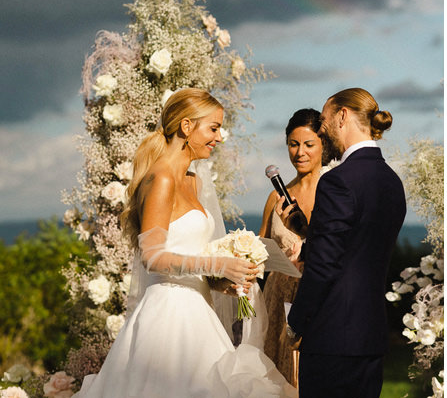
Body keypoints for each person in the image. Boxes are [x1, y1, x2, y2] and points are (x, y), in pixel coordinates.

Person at [74, 88, 292, 398]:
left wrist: (221, 280)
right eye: (213, 128)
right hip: (168, 318)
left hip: (198, 310)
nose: (219, 137)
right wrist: (218, 264)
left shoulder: (194, 181)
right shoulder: (160, 178)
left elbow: (189, 254)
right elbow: (152, 256)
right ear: (186, 127)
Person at [285, 88, 406, 398]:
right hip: (370, 337)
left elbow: (325, 266)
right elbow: (356, 248)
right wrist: (306, 230)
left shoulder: (338, 180)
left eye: (324, 120)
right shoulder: (392, 181)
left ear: (342, 116)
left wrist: (296, 322)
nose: (323, 131)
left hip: (332, 338)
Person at [258, 108, 325, 386]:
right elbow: (260, 250)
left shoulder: (334, 192)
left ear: (324, 144)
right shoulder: (276, 197)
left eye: (309, 144)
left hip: (316, 300)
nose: (300, 153)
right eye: (293, 144)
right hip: (277, 302)